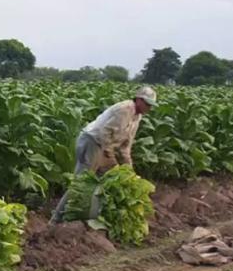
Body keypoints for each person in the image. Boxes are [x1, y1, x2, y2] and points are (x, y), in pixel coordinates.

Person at [51, 86, 158, 224]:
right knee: (81, 181)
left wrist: (129, 170)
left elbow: (126, 146)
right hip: (92, 142)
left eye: (151, 105)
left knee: (109, 179)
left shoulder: (137, 117)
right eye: (147, 103)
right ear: (138, 99)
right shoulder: (125, 109)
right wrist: (109, 154)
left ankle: (89, 216)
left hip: (103, 146)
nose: (149, 107)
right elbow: (104, 133)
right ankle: (55, 219)